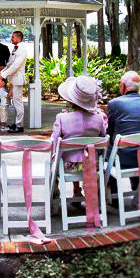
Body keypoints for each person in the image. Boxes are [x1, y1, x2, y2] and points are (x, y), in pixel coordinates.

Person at [52, 75, 106, 205]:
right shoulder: (98, 119)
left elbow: (54, 145)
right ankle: (77, 191)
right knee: (82, 154)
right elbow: (103, 139)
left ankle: (54, 200)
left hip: (68, 167)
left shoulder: (62, 118)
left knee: (54, 162)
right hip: (93, 165)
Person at [0, 31, 28, 133]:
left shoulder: (21, 50)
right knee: (15, 103)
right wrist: (3, 70)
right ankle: (17, 123)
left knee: (18, 103)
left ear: (19, 38)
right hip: (13, 80)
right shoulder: (16, 48)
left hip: (17, 80)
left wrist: (3, 75)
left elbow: (15, 66)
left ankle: (19, 125)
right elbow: (10, 64)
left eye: (13, 37)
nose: (11, 39)